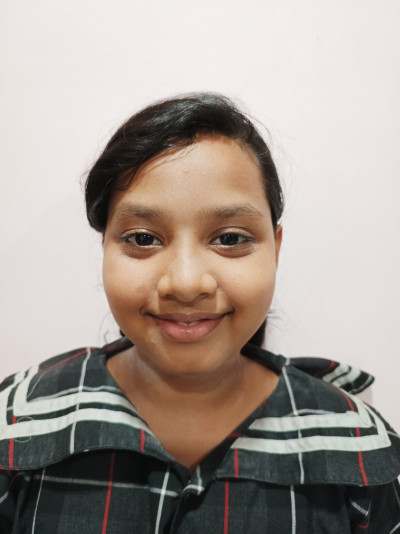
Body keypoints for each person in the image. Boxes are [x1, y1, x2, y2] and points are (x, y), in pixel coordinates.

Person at [0, 93, 399, 533]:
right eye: (143, 238)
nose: (186, 283)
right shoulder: (16, 423)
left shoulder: (357, 444)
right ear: (104, 248)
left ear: (276, 249)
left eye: (229, 238)